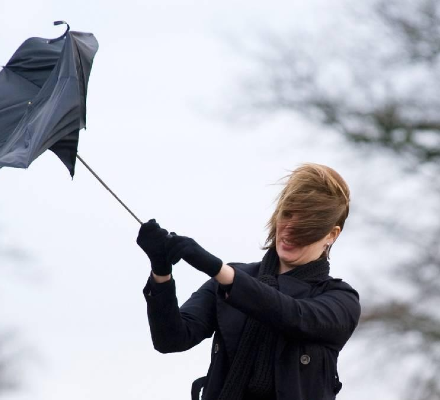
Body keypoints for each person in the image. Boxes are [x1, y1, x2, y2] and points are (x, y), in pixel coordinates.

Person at [136, 163, 361, 400]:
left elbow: (293, 315)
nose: (289, 232)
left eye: (306, 227)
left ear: (331, 235)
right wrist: (161, 272)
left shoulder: (341, 300)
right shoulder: (231, 277)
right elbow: (171, 339)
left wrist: (216, 269)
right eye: (287, 215)